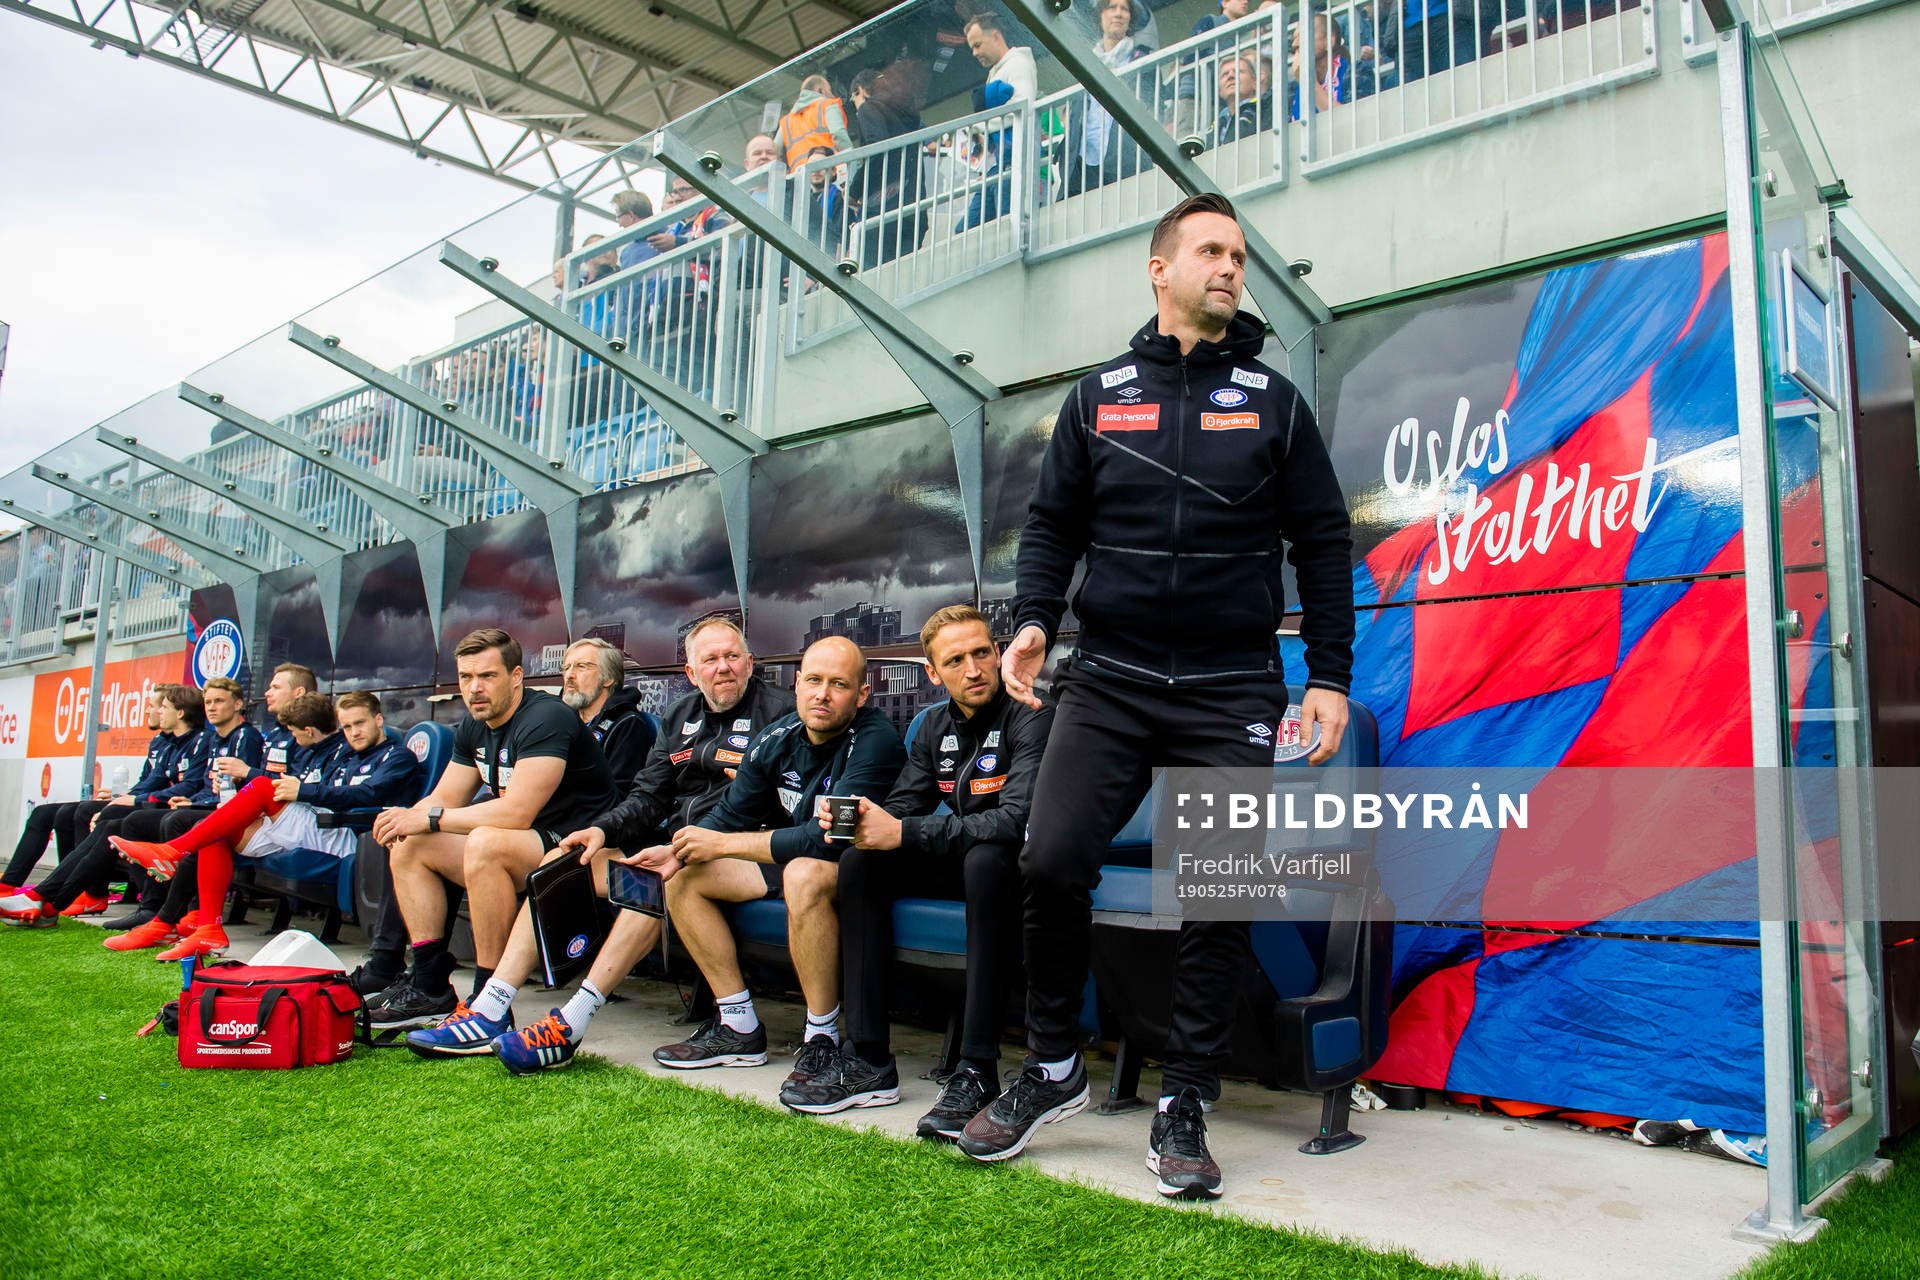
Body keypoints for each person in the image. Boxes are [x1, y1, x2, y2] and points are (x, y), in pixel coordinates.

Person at [955, 194, 1355, 1201]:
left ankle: (1184, 1099)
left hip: (1231, 686)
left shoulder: (1275, 401)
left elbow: (1323, 541)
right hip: (1111, 677)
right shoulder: (1098, 397)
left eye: (1240, 255)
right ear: (1160, 268)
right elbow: (1053, 526)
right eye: (1211, 250)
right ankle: (1053, 1067)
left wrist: (1330, 676)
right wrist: (1034, 620)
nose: (1231, 267)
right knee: (1049, 857)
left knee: (1215, 890)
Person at [404, 615, 791, 1066]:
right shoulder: (680, 715)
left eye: (732, 657)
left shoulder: (782, 712)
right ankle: (492, 1006)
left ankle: (571, 1022)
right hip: (680, 845)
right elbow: (647, 796)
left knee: (658, 880)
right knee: (564, 862)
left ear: (749, 663)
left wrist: (690, 843)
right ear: (690, 672)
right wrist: (602, 830)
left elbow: (780, 799)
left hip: (752, 848)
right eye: (710, 659)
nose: (722, 667)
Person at [785, 605, 1050, 1136]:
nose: (973, 670)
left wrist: (904, 832)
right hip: (966, 858)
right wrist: (862, 819)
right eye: (955, 661)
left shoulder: (1031, 712)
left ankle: (976, 1069)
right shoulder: (931, 724)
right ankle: (868, 1060)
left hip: (1022, 868)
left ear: (999, 654)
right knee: (862, 861)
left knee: (986, 860)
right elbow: (904, 806)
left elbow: (1016, 821)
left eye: (982, 653)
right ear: (932, 672)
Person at [648, 637, 905, 1089]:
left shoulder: (875, 739)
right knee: (684, 878)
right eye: (814, 681)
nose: (823, 694)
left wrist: (723, 845)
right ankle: (738, 1025)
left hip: (861, 868)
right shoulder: (777, 735)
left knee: (802, 872)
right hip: (794, 856)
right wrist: (680, 849)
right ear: (798, 683)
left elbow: (829, 840)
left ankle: (821, 1036)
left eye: (839, 684)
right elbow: (729, 814)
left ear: (862, 694)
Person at [361, 629, 619, 1029]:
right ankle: (429, 985)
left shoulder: (546, 717)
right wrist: (405, 818)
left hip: (579, 846)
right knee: (411, 843)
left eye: (487, 676)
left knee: (485, 843)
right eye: (466, 677)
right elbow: (445, 797)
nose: (474, 688)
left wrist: (429, 818)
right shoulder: (474, 725)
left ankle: (489, 1000)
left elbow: (517, 812)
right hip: (525, 844)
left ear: (516, 677)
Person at [113, 692, 422, 960]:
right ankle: (209, 929)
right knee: (218, 833)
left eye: (360, 723)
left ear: (378, 720)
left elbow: (367, 794)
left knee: (262, 787)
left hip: (350, 834)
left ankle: (171, 852)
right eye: (348, 726)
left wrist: (302, 791)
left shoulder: (398, 756)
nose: (354, 732)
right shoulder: (346, 757)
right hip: (318, 822)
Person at [0, 684, 208, 926]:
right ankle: (47, 901)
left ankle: (55, 899)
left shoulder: (202, 740)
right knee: (94, 819)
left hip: (180, 811)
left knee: (112, 820)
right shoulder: (169, 742)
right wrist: (124, 797)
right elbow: (152, 781)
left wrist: (132, 800)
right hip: (166, 808)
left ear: (180, 712)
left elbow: (190, 786)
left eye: (161, 706)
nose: (155, 711)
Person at [99, 675, 265, 937]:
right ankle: (153, 905)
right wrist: (192, 801)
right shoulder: (215, 739)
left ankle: (185, 909)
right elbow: (204, 786)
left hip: (235, 813)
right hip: (210, 805)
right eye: (208, 702)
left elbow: (246, 791)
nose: (211, 707)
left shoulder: (246, 736)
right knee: (133, 821)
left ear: (237, 705)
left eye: (219, 701)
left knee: (174, 821)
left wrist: (197, 800)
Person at [957, 12, 1037, 232]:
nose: (974, 53)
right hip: (997, 166)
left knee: (1007, 227)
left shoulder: (1018, 63)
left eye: (977, 45)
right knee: (965, 231)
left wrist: (980, 125)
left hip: (1015, 162)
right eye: (972, 48)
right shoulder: (996, 72)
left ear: (995, 36)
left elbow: (1022, 106)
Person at [1064, 0, 1152, 196]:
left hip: (1125, 162)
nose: (1118, 13)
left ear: (1130, 18)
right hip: (1083, 168)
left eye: (1124, 9)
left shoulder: (1142, 58)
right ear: (1100, 15)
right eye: (1112, 7)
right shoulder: (1085, 62)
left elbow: (1155, 107)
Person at [851, 55, 930, 266]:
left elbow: (878, 149)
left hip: (881, 213)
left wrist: (854, 191)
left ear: (859, 90)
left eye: (853, 100)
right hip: (913, 210)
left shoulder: (868, 108)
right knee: (903, 273)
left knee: (870, 276)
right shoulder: (908, 115)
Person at [561, 637, 654, 786]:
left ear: (608, 678)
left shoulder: (627, 725)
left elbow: (619, 791)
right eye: (566, 668)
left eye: (581, 666)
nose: (569, 675)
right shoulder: (557, 721)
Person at [775, 75, 853, 171]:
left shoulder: (786, 122)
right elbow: (838, 134)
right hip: (827, 171)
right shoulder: (828, 105)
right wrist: (854, 161)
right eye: (829, 91)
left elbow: (775, 152)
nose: (832, 95)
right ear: (820, 90)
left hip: (800, 176)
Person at [1288, 7, 1351, 120]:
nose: (1294, 44)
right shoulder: (1290, 90)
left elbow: (1351, 121)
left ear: (1329, 41)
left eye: (1303, 35)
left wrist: (1309, 81)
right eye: (1294, 38)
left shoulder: (1356, 72)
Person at [1211, 52, 1272, 146]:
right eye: (1225, 74)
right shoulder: (1216, 125)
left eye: (1238, 71)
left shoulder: (1267, 109)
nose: (1230, 76)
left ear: (1255, 83)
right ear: (1220, 92)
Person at [612, 190, 659, 272]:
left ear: (631, 215)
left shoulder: (628, 252)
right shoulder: (670, 233)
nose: (619, 224)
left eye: (618, 216)